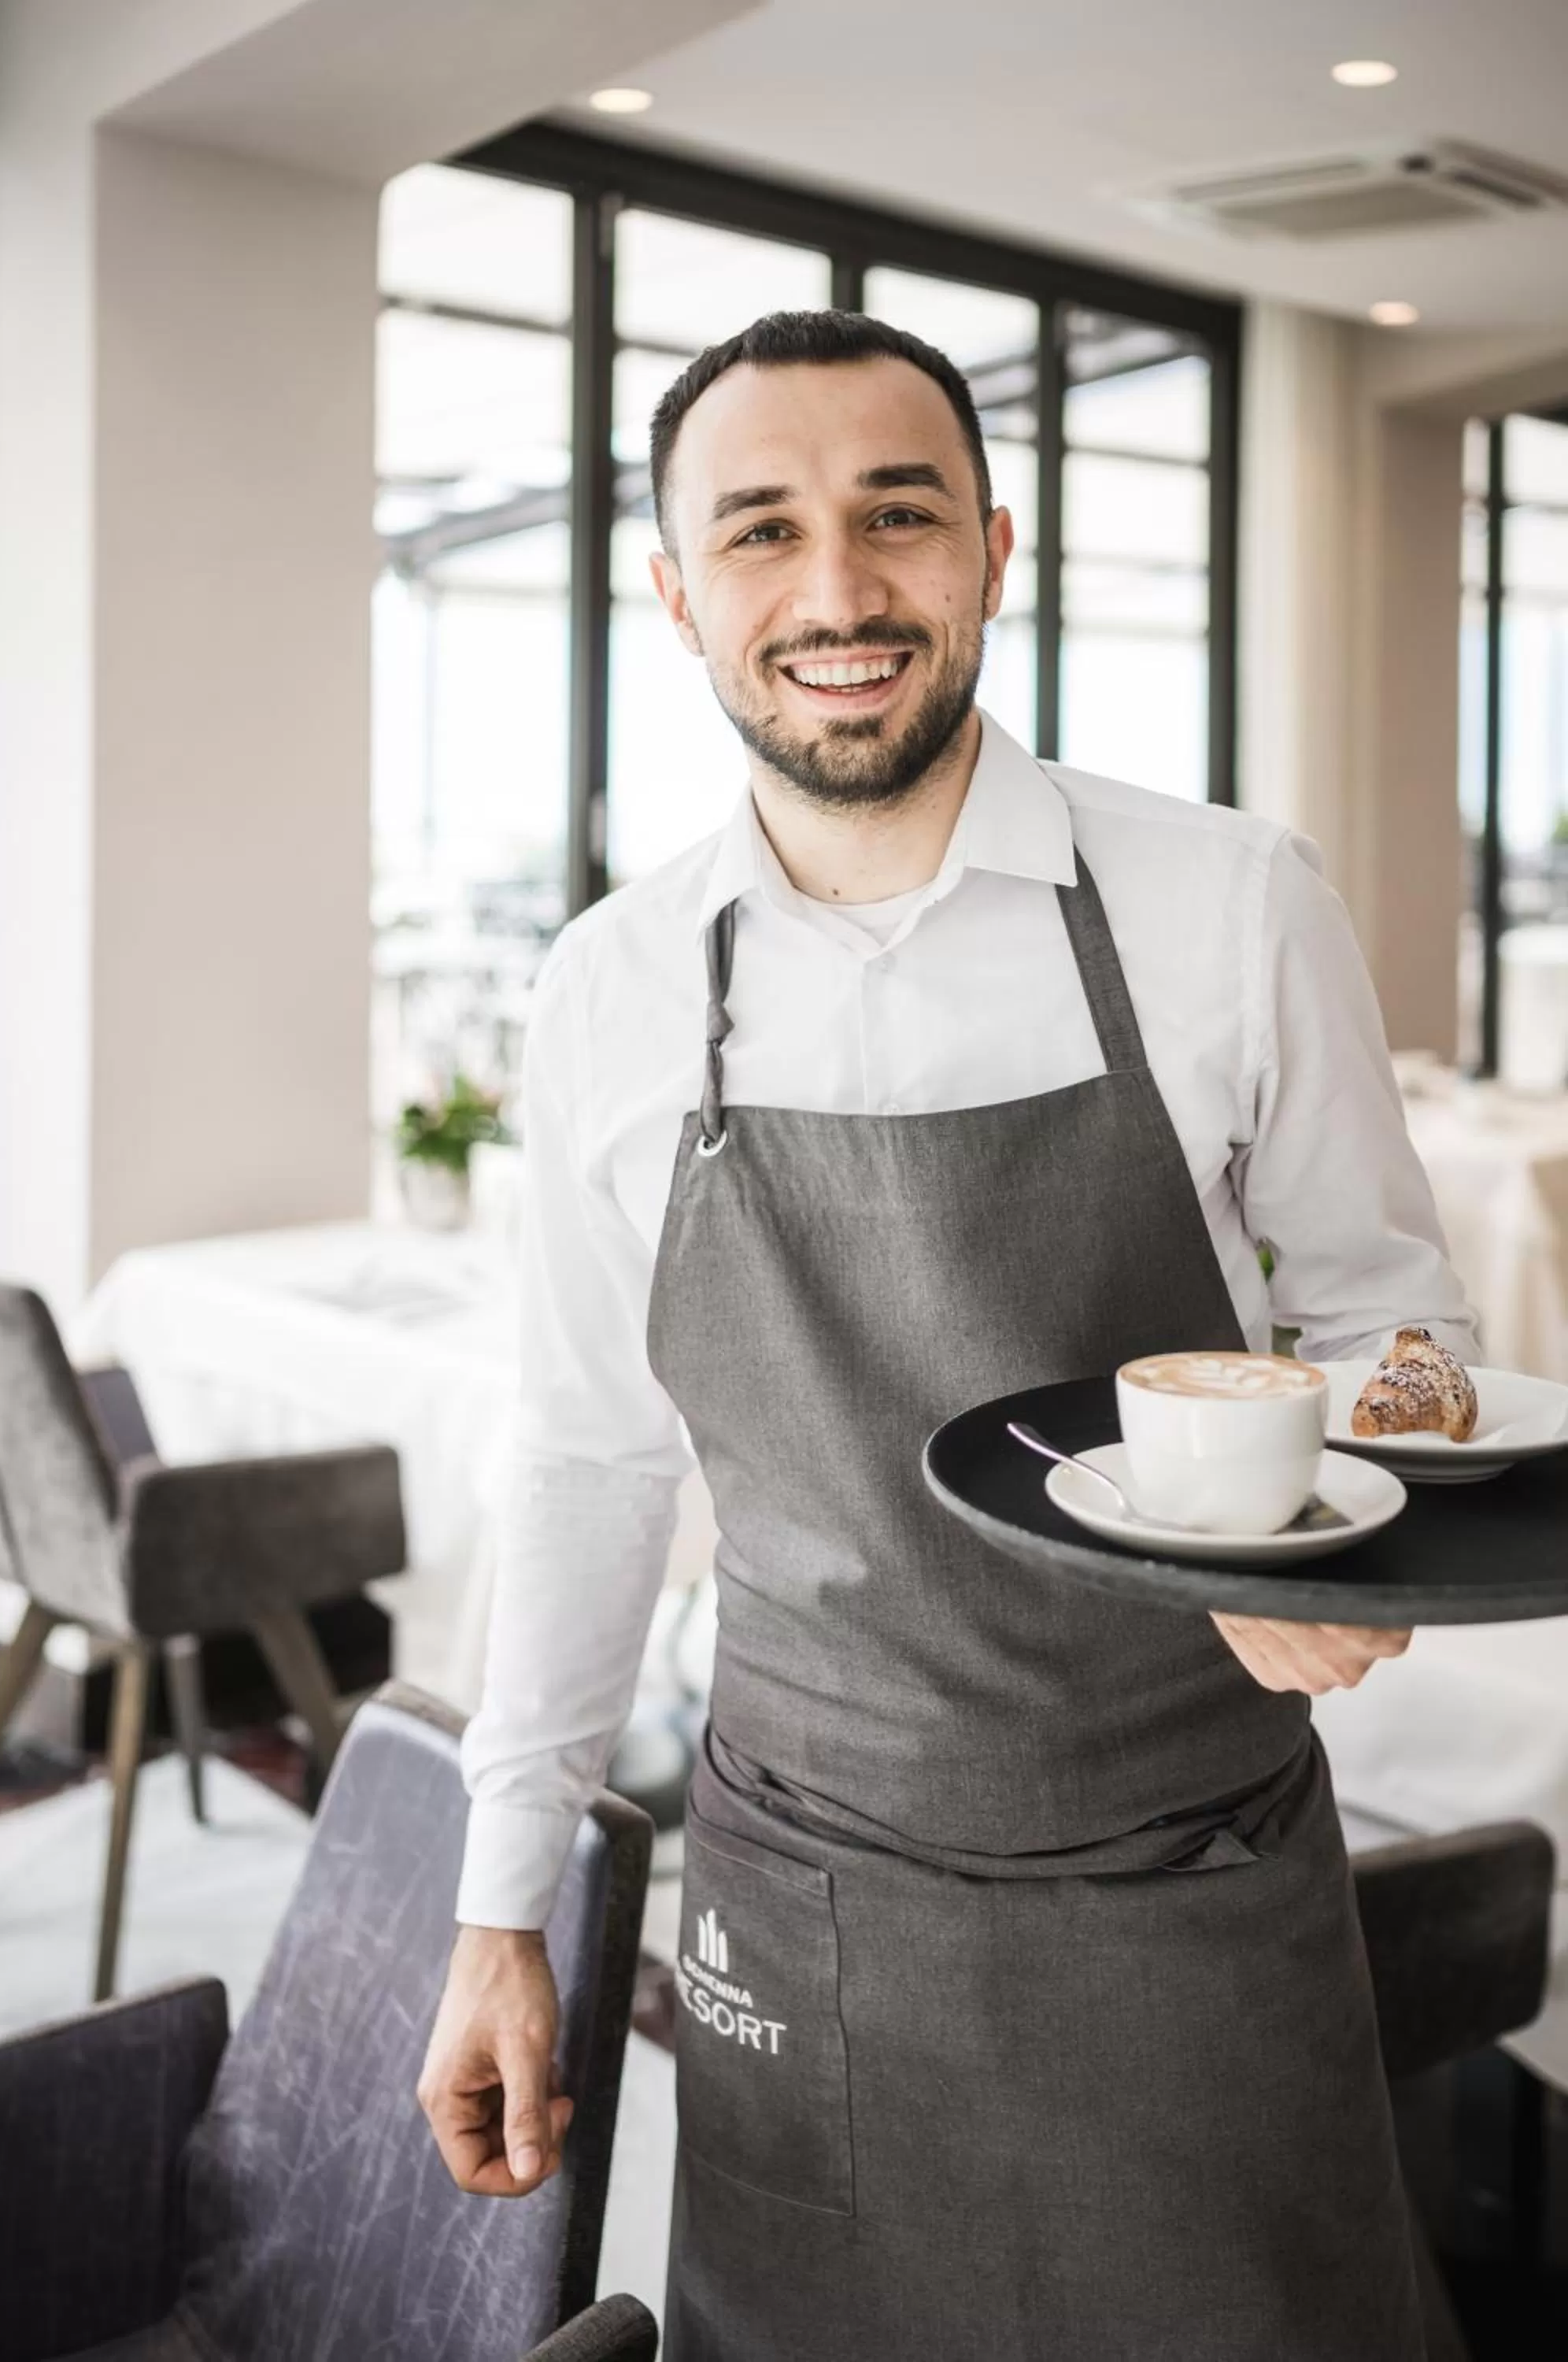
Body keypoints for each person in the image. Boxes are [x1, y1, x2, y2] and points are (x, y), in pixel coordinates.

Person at [419, 309, 1474, 2360]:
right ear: (676, 593)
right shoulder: (609, 991)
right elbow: (587, 1460)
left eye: (897, 517)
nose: (837, 591)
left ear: (995, 550)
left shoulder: (1231, 902)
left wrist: (1344, 1528)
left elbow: (1407, 1332)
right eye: (762, 530)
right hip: (803, 1899)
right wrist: (500, 1903)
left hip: (1188, 1879)